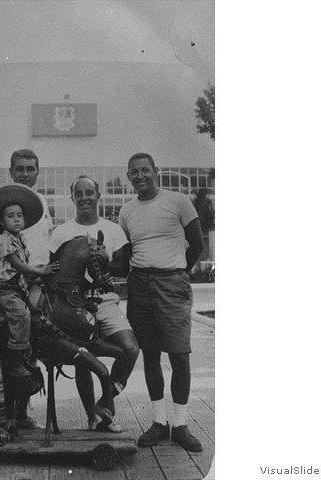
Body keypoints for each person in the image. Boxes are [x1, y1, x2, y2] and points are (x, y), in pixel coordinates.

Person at [119, 153, 205, 452]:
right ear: (129, 176)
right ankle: (159, 422)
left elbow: (197, 244)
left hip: (172, 283)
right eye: (134, 172)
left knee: (180, 355)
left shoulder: (178, 201)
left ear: (156, 171)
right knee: (150, 355)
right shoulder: (126, 211)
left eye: (145, 170)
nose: (140, 176)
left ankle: (180, 425)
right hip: (140, 285)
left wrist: (176, 270)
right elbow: (127, 252)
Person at [48, 175, 140, 433]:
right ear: (73, 198)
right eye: (80, 193)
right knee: (82, 359)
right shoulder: (61, 233)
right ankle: (94, 417)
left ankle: (105, 402)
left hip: (106, 303)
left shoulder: (112, 230)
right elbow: (55, 272)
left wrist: (106, 260)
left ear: (98, 196)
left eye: (90, 193)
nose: (85, 197)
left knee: (130, 348)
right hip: (74, 306)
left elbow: (123, 267)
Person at [7, 148, 54, 429]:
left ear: (38, 172)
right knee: (15, 344)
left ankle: (22, 412)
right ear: (10, 171)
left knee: (36, 341)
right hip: (14, 282)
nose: (25, 173)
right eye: (20, 168)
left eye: (30, 168)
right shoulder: (4, 203)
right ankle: (7, 411)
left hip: (39, 280)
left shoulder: (42, 201)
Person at [0, 202, 59, 379]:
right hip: (5, 290)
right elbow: (19, 265)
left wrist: (43, 275)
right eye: (10, 216)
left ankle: (33, 353)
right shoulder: (4, 240)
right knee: (22, 315)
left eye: (19, 215)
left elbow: (25, 272)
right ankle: (15, 360)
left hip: (17, 287)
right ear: (2, 221)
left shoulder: (20, 240)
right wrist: (41, 270)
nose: (16, 219)